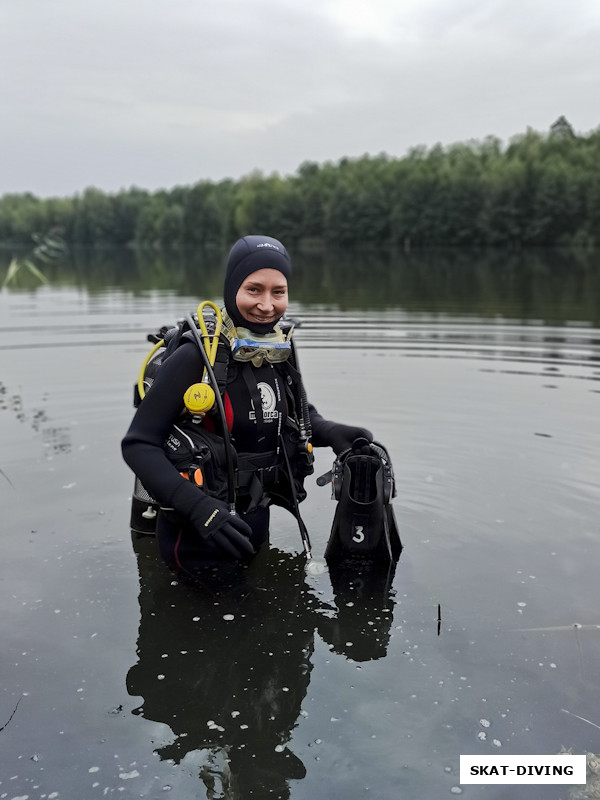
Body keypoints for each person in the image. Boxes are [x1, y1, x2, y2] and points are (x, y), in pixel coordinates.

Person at [121, 234, 372, 577]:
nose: (267, 305)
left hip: (254, 520)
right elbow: (139, 444)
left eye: (278, 292)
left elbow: (296, 412)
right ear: (232, 287)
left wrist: (332, 432)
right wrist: (199, 509)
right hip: (195, 536)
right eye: (254, 289)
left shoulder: (279, 349)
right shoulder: (196, 357)